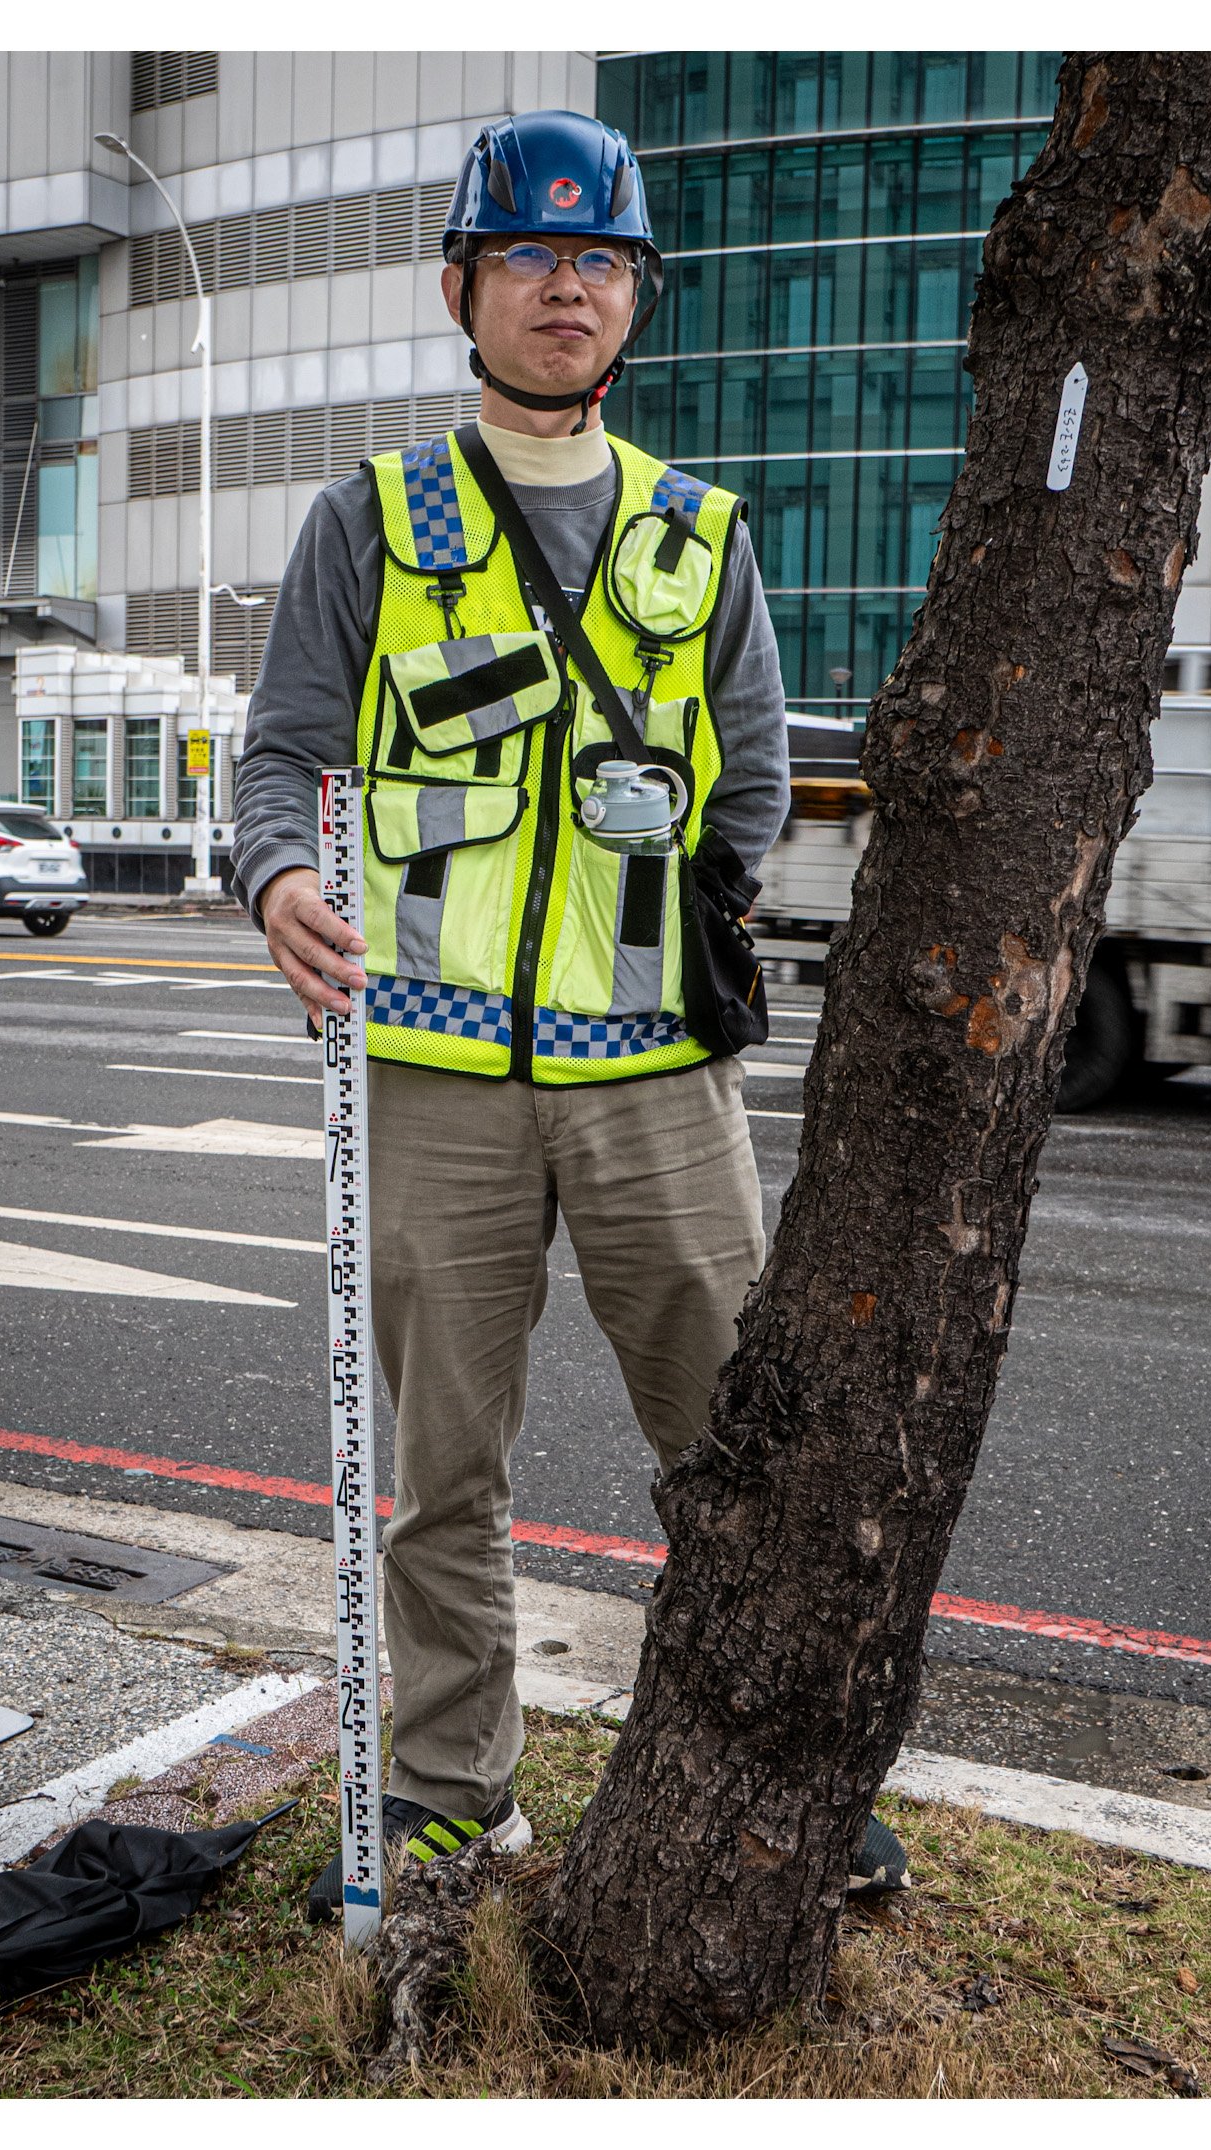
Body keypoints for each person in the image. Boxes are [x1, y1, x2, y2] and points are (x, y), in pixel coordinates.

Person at [233, 110, 904, 1902]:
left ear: (637, 303)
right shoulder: (371, 519)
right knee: (439, 1474)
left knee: (735, 1452)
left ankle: (779, 1786)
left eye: (597, 258)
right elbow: (283, 754)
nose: (563, 286)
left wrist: (693, 916)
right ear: (460, 286)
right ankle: (456, 1790)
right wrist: (278, 880)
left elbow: (753, 778)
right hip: (429, 1076)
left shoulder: (703, 534)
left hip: (659, 1083)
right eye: (526, 255)